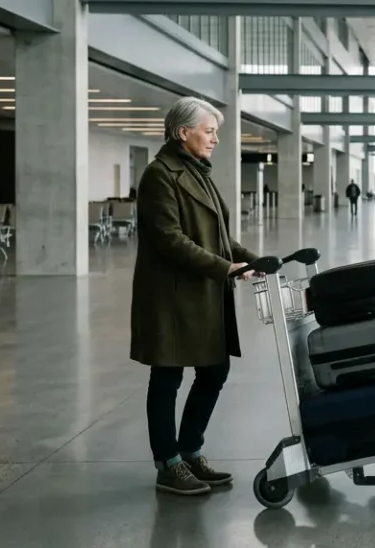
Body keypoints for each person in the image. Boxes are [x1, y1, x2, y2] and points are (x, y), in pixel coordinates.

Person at [131, 97, 260, 497]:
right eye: (209, 131)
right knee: (167, 376)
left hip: (201, 292)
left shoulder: (197, 171)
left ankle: (189, 450)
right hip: (172, 296)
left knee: (214, 370)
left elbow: (218, 236)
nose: (215, 139)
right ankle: (168, 463)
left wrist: (252, 259)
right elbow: (170, 239)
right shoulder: (160, 175)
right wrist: (225, 268)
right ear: (182, 132)